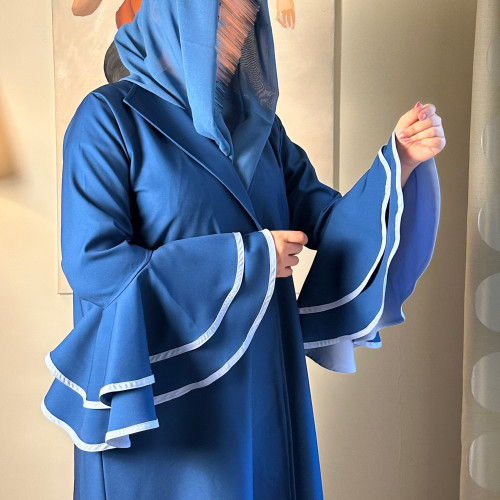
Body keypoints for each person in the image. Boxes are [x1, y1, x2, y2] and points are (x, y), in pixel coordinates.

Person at [41, 0, 444, 498]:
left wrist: (399, 162)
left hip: (262, 388)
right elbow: (94, 264)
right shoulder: (108, 118)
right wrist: (249, 260)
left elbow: (327, 220)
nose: (237, 35)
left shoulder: (260, 129)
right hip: (166, 402)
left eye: (247, 19)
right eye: (223, 17)